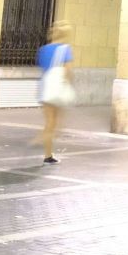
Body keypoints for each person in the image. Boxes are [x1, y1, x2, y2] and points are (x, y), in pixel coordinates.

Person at [35, 22, 75, 164]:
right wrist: (68, 82)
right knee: (57, 122)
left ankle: (47, 154)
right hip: (57, 89)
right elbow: (68, 70)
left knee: (49, 122)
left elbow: (42, 67)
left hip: (45, 87)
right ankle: (47, 146)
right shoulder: (65, 49)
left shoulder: (43, 49)